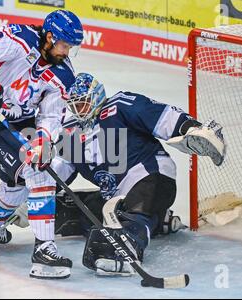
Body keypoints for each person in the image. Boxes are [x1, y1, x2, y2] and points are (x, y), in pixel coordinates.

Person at [52, 72, 226, 276]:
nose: (79, 110)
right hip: (117, 197)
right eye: (74, 106)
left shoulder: (118, 105)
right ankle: (158, 221)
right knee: (80, 208)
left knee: (136, 211)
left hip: (151, 177)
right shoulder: (70, 132)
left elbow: (160, 115)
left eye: (83, 103)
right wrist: (34, 188)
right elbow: (61, 169)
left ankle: (128, 246)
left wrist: (190, 128)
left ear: (96, 95)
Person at [0, 10, 84, 279]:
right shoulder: (21, 39)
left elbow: (52, 114)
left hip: (23, 128)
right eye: (64, 45)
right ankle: (43, 250)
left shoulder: (63, 75)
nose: (66, 52)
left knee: (15, 184)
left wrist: (43, 138)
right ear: (50, 37)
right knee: (37, 171)